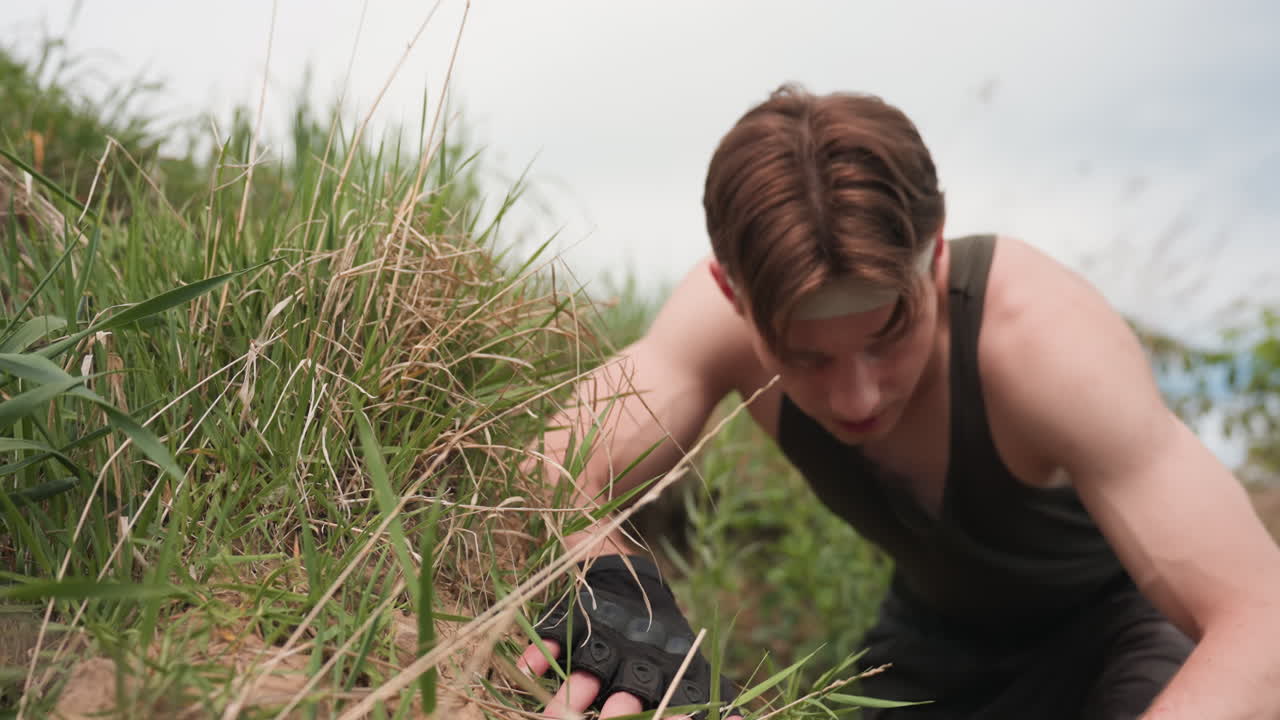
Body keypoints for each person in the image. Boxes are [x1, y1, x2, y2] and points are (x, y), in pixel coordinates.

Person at [515, 85, 1280, 719]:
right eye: (805, 356)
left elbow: (1262, 621)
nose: (856, 396)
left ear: (936, 255)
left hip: (1120, 639)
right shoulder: (712, 326)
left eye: (889, 334)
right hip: (932, 644)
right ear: (732, 295)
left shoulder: (1041, 342)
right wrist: (607, 581)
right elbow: (549, 473)